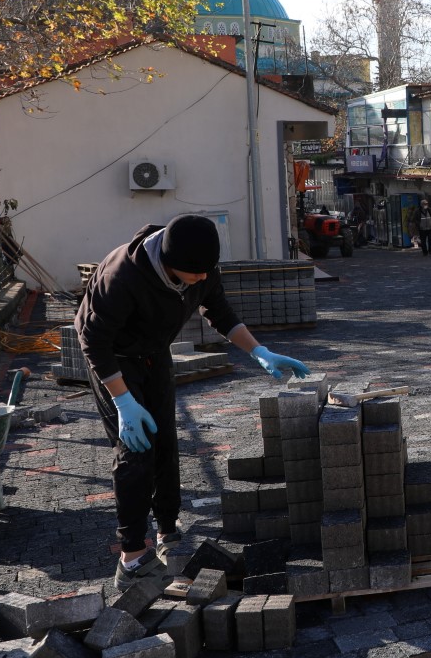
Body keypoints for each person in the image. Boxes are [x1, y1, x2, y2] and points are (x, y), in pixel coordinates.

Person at [76, 215, 310, 589]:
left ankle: (168, 529)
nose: (203, 279)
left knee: (166, 442)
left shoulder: (200, 267)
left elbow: (219, 311)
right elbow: (94, 342)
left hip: (153, 353)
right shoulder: (123, 275)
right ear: (170, 264)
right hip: (113, 359)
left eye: (206, 272)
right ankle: (132, 557)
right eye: (195, 274)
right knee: (135, 449)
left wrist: (260, 352)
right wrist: (123, 401)